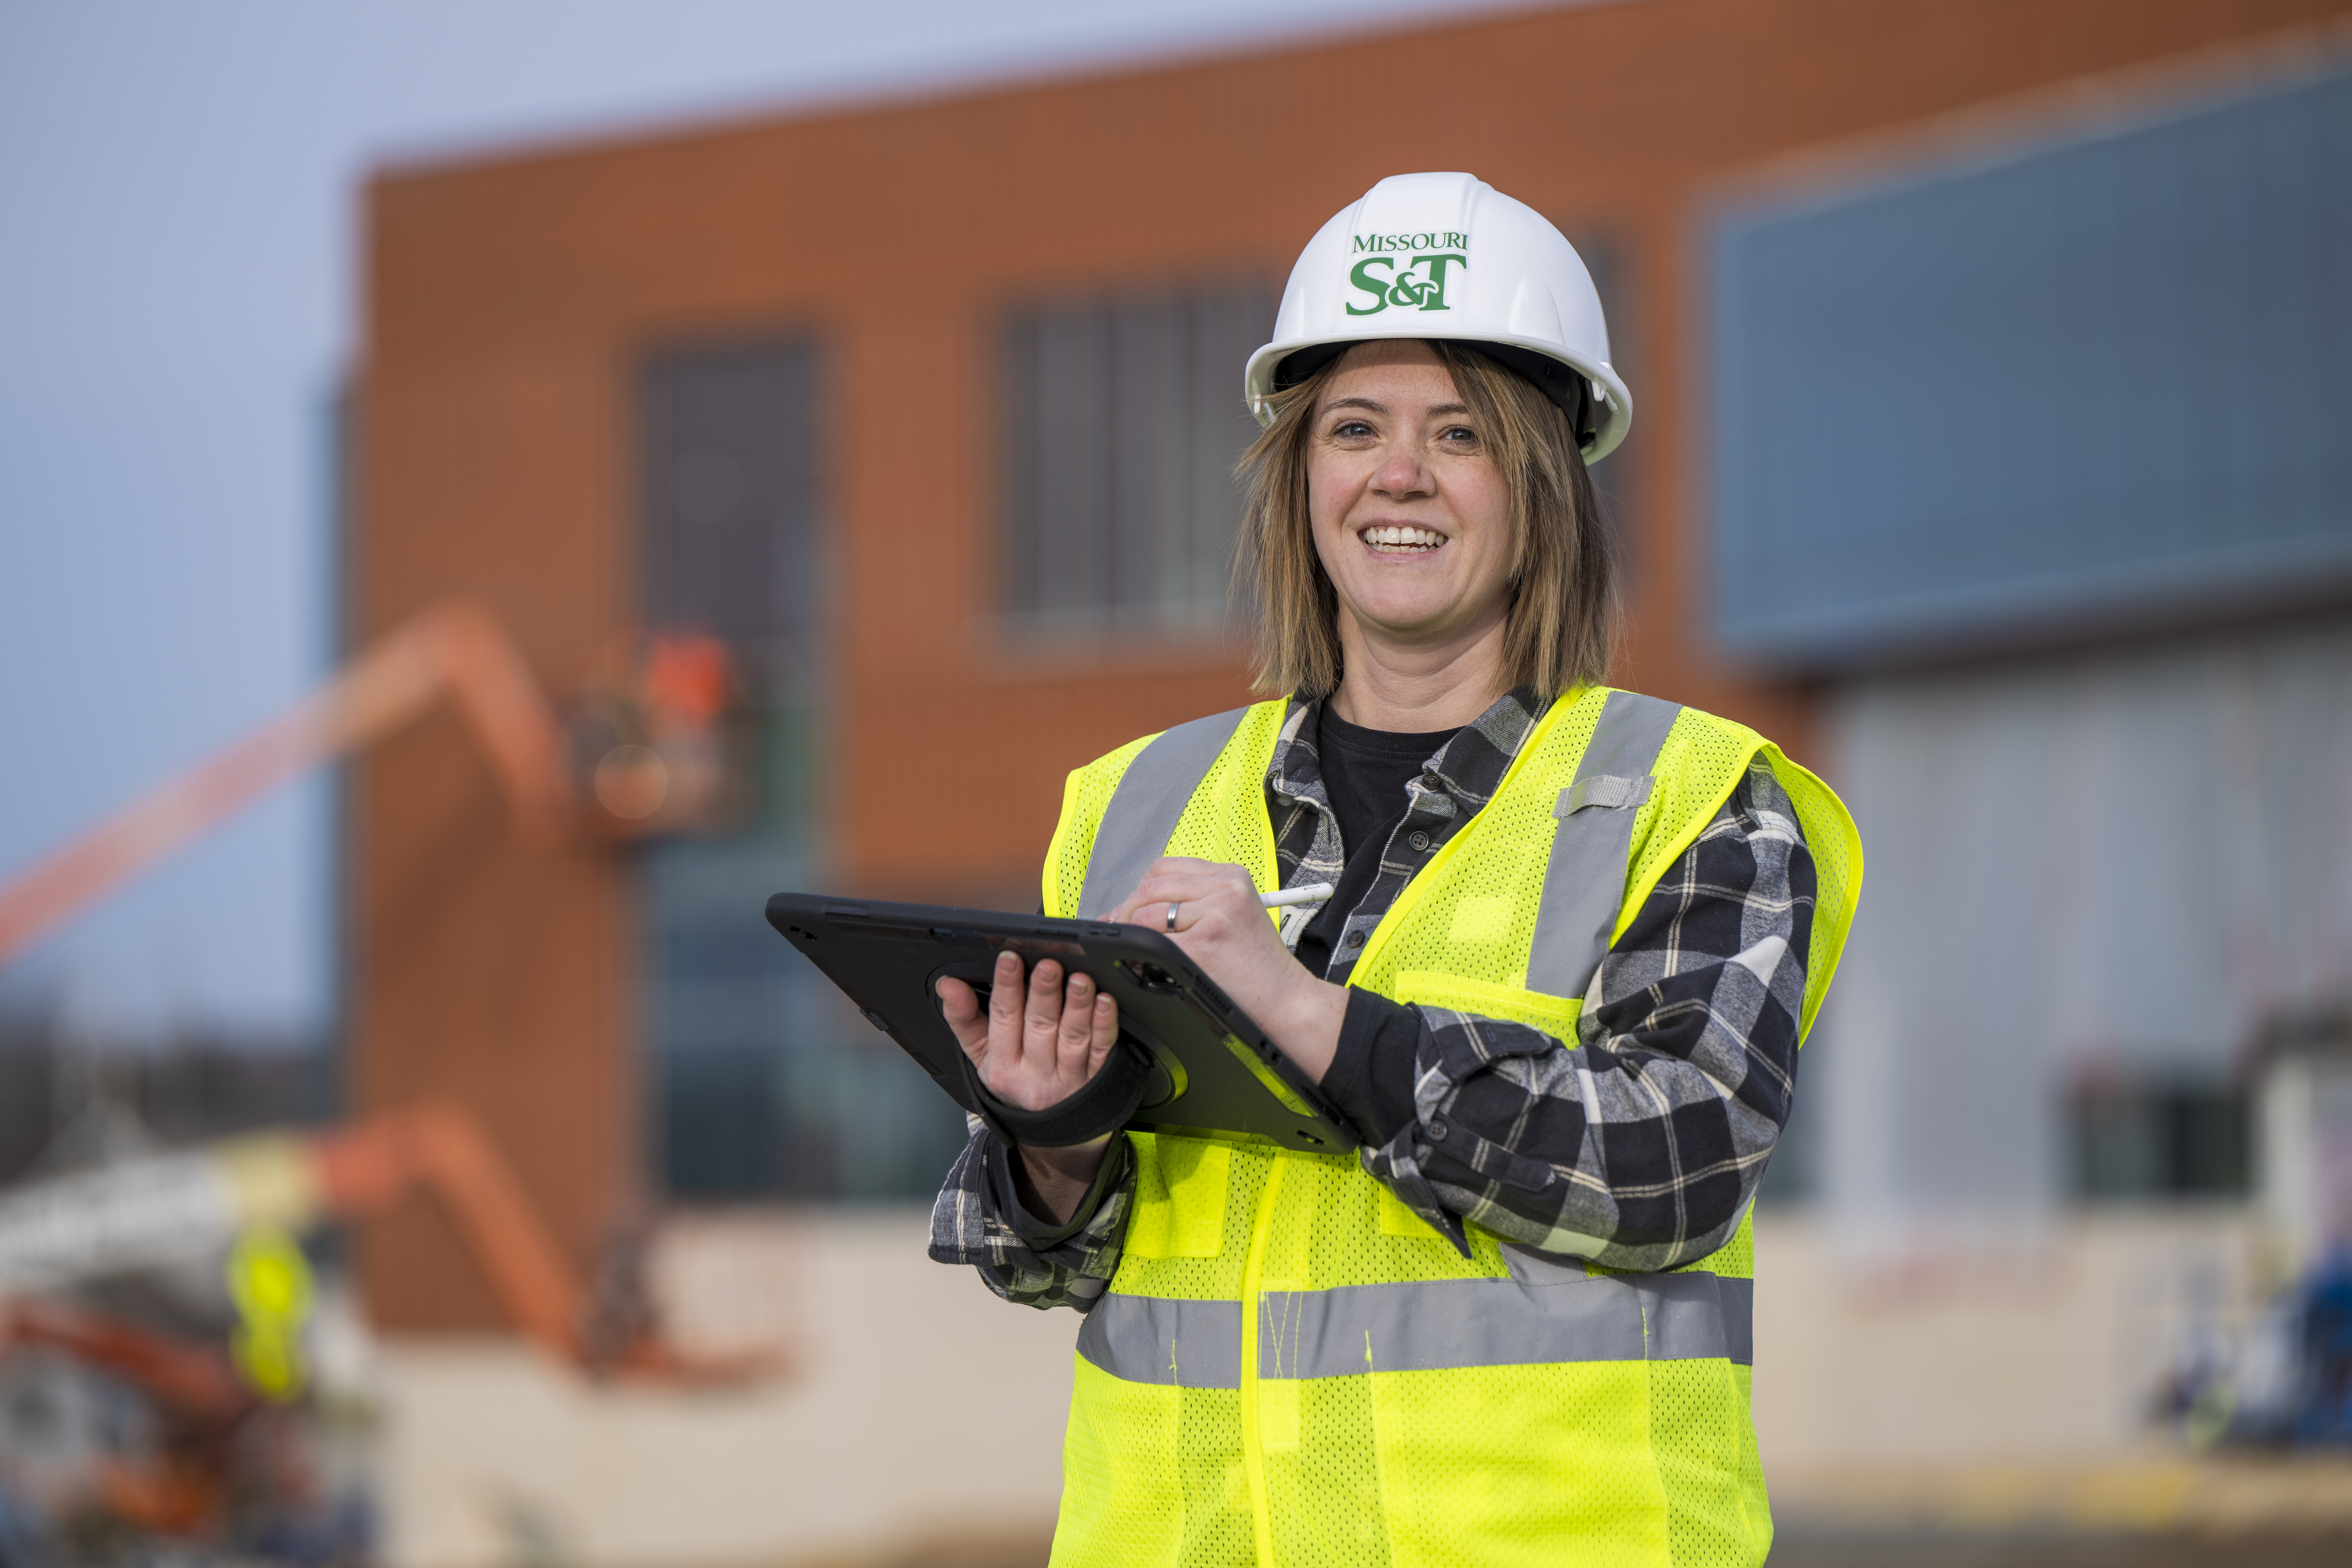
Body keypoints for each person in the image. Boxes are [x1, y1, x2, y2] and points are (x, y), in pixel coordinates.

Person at [929, 172, 1863, 1567]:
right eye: (1355, 428)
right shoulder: (1135, 802)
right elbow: (1042, 1258)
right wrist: (1051, 1142)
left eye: (1461, 434)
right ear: (1304, 474)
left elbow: (1682, 1162)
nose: (1398, 475)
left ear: (1544, 480)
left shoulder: (1691, 796)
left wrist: (1312, 1016)